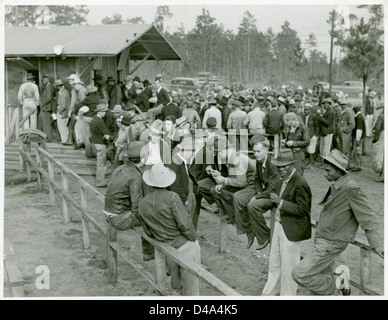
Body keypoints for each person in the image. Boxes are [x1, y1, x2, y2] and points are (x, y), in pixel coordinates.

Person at [292, 149, 384, 295]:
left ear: (339, 171)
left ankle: (338, 284)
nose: (325, 173)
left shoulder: (350, 188)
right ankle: (334, 285)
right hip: (324, 239)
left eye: (328, 171)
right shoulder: (337, 184)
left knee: (300, 274)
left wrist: (377, 245)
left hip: (331, 243)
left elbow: (368, 217)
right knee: (318, 283)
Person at [138, 163, 201, 295]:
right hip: (182, 245)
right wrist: (193, 239)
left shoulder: (142, 203)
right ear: (166, 182)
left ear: (150, 183)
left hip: (165, 245)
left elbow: (147, 231)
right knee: (191, 283)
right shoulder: (172, 197)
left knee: (175, 281)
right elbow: (185, 224)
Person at [261, 149, 312, 296]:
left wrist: (280, 202)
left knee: (289, 268)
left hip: (291, 230)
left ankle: (288, 296)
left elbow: (303, 210)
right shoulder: (282, 179)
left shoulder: (300, 182)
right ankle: (268, 294)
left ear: (292, 164)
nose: (281, 169)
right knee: (274, 264)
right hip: (279, 224)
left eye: (284, 166)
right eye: (278, 167)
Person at [235, 135, 281, 250]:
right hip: (266, 192)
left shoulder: (273, 164)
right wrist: (258, 193)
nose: (255, 154)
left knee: (252, 205)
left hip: (275, 195)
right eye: (254, 151)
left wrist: (258, 196)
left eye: (258, 151)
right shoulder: (260, 162)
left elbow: (274, 188)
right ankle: (249, 231)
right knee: (238, 198)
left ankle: (265, 235)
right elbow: (257, 180)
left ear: (266, 150)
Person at [209, 141, 256, 224]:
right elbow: (234, 176)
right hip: (244, 183)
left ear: (223, 150)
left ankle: (243, 219)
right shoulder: (231, 156)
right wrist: (222, 180)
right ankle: (231, 215)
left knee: (235, 196)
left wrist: (224, 180)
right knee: (215, 191)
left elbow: (241, 182)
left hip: (252, 185)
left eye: (218, 152)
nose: (217, 155)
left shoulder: (236, 158)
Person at [90, 99, 113, 187]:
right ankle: (100, 181)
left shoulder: (93, 120)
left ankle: (100, 180)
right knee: (102, 164)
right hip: (100, 144)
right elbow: (106, 132)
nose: (105, 113)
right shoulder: (99, 121)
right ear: (100, 112)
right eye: (103, 112)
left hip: (95, 143)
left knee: (100, 163)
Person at [74, 85, 100, 150]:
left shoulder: (88, 99)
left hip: (88, 117)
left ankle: (88, 149)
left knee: (86, 134)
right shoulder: (98, 98)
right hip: (96, 117)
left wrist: (74, 112)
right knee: (93, 134)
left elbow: (78, 105)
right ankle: (94, 149)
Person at [64, 74, 87, 146]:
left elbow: (74, 101)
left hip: (78, 110)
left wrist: (71, 111)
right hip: (78, 109)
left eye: (71, 80)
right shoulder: (76, 89)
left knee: (75, 126)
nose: (69, 82)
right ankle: (75, 140)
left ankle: (75, 141)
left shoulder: (76, 90)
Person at [337, 102, 355, 168]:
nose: (342, 106)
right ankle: (343, 164)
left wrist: (344, 129)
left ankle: (346, 165)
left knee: (346, 149)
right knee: (341, 149)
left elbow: (352, 124)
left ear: (346, 105)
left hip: (346, 134)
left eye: (343, 104)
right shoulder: (342, 112)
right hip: (341, 133)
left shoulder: (348, 112)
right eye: (341, 104)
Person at [303, 103, 320, 169]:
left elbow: (317, 126)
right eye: (305, 110)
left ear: (310, 110)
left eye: (307, 110)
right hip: (305, 135)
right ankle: (308, 162)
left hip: (312, 135)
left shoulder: (313, 116)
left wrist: (315, 135)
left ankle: (311, 164)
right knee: (306, 149)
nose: (306, 111)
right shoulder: (303, 116)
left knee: (311, 150)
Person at [349, 105, 365, 172]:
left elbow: (359, 129)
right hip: (359, 137)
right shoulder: (360, 116)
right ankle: (359, 165)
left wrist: (357, 139)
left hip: (357, 137)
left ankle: (358, 166)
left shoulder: (358, 117)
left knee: (356, 151)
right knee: (358, 151)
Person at [38, 75, 55, 141]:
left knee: (46, 123)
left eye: (44, 80)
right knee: (46, 122)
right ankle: (47, 137)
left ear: (48, 80)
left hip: (47, 108)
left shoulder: (49, 87)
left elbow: (49, 98)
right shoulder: (49, 87)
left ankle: (48, 138)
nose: (43, 82)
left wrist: (42, 104)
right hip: (47, 107)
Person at [54, 79, 71, 144]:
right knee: (64, 127)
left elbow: (63, 105)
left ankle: (64, 140)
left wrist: (59, 112)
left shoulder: (62, 93)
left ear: (58, 86)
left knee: (62, 127)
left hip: (63, 112)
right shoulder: (65, 91)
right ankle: (65, 140)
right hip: (65, 112)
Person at [372, 105, 384, 182]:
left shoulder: (381, 116)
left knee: (380, 156)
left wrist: (375, 139)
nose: (378, 110)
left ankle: (383, 176)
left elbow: (378, 128)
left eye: (379, 108)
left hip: (383, 136)